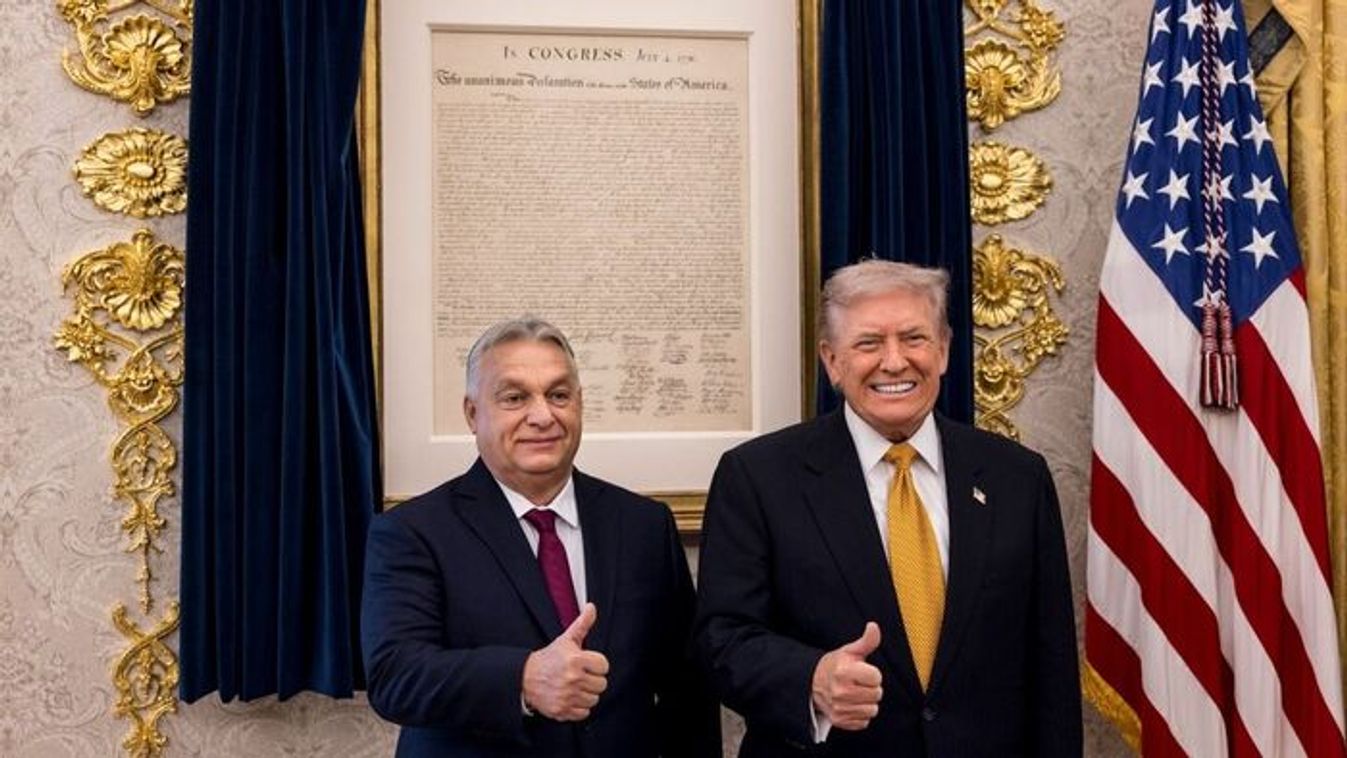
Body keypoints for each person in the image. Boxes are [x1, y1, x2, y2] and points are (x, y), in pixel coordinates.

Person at [694, 260, 1081, 756]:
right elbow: (721, 640)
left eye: (914, 338)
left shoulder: (1017, 478)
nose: (895, 362)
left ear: (943, 350)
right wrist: (811, 678)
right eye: (869, 343)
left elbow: (1051, 666)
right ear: (832, 361)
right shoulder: (758, 477)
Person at [362, 317, 721, 757]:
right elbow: (395, 676)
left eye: (558, 395)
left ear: (579, 404)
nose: (542, 416)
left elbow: (690, 686)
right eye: (515, 398)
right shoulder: (413, 531)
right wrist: (523, 679)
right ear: (473, 414)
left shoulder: (644, 525)